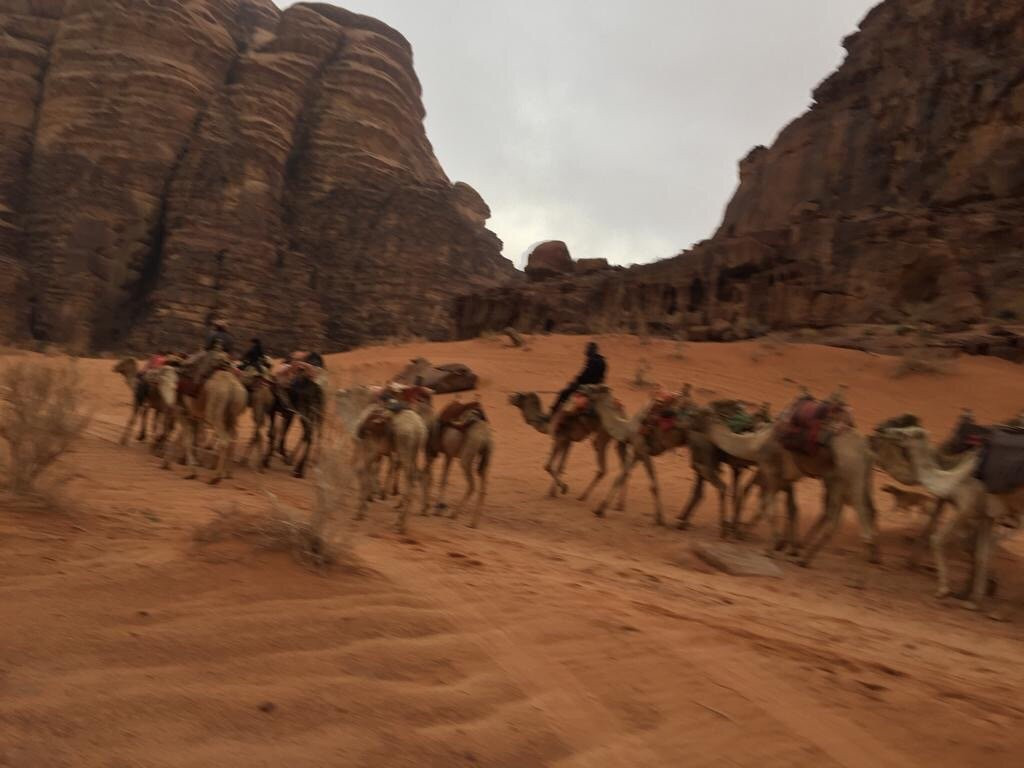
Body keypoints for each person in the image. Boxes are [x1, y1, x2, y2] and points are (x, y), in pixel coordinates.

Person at [551, 341, 607, 416]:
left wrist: (574, 383)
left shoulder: (592, 360)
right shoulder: (602, 361)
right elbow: (602, 377)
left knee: (563, 393)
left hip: (588, 386)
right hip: (598, 386)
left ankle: (551, 414)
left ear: (591, 350)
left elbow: (585, 375)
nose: (586, 351)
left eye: (588, 349)